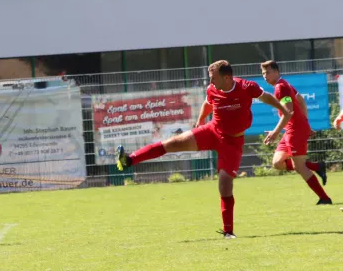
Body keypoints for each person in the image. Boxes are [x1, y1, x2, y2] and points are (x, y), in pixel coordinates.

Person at [116, 60, 292, 239]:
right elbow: (208, 103)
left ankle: (228, 231)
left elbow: (265, 97)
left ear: (227, 77)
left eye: (213, 78)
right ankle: (129, 159)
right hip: (212, 131)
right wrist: (201, 120)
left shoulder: (247, 87)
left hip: (232, 141)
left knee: (224, 183)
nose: (211, 82)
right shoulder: (212, 89)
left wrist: (283, 110)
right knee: (172, 143)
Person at [260, 60, 331, 204]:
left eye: (268, 72)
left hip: (295, 130)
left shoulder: (281, 87)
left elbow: (289, 112)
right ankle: (316, 166)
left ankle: (324, 198)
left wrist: (275, 131)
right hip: (292, 129)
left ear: (276, 72)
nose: (265, 76)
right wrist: (305, 122)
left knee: (300, 167)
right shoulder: (283, 84)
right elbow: (301, 100)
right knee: (277, 162)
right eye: (263, 73)